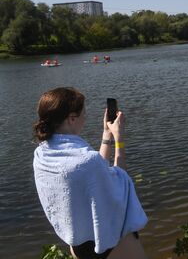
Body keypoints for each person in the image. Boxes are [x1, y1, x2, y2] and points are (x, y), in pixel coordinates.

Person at [33, 87, 148, 259]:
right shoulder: (86, 160)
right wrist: (119, 138)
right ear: (72, 118)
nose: (85, 118)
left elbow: (96, 171)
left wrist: (106, 134)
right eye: (83, 114)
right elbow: (119, 181)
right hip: (112, 242)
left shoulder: (41, 155)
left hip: (78, 246)